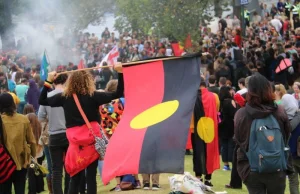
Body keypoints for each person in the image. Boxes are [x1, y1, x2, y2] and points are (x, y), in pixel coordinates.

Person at [40, 64, 123, 194]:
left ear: (71, 82)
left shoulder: (65, 97)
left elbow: (42, 100)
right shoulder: (94, 95)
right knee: (91, 177)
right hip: (91, 140)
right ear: (88, 80)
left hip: (75, 142)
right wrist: (120, 72)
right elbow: (119, 93)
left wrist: (48, 81)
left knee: (75, 176)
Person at [234, 73, 291, 194]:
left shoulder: (241, 114)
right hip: (276, 165)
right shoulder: (279, 111)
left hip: (250, 167)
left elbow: (238, 139)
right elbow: (287, 134)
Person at [38, 74, 70, 194]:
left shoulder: (47, 97)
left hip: (54, 135)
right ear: (66, 81)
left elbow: (40, 117)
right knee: (69, 167)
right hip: (69, 134)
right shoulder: (69, 95)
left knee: (56, 170)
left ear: (53, 82)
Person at [0, 93, 36, 194]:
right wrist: (33, 157)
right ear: (13, 103)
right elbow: (32, 141)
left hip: (4, 163)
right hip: (22, 160)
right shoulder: (23, 119)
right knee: (20, 190)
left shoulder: (1, 120)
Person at [192, 79, 220, 186]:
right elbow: (217, 109)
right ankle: (208, 179)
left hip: (196, 128)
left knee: (198, 152)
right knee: (210, 152)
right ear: (206, 85)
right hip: (210, 128)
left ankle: (198, 177)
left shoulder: (193, 97)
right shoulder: (214, 96)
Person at [219, 86, 238, 171]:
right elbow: (235, 114)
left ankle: (225, 164)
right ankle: (232, 161)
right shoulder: (231, 102)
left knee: (224, 145)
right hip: (230, 125)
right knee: (231, 144)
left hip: (221, 125)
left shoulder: (220, 102)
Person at [26, 112, 45, 194]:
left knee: (31, 173)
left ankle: (32, 190)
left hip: (32, 156)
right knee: (38, 171)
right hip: (40, 154)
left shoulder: (30, 131)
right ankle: (39, 187)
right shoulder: (39, 129)